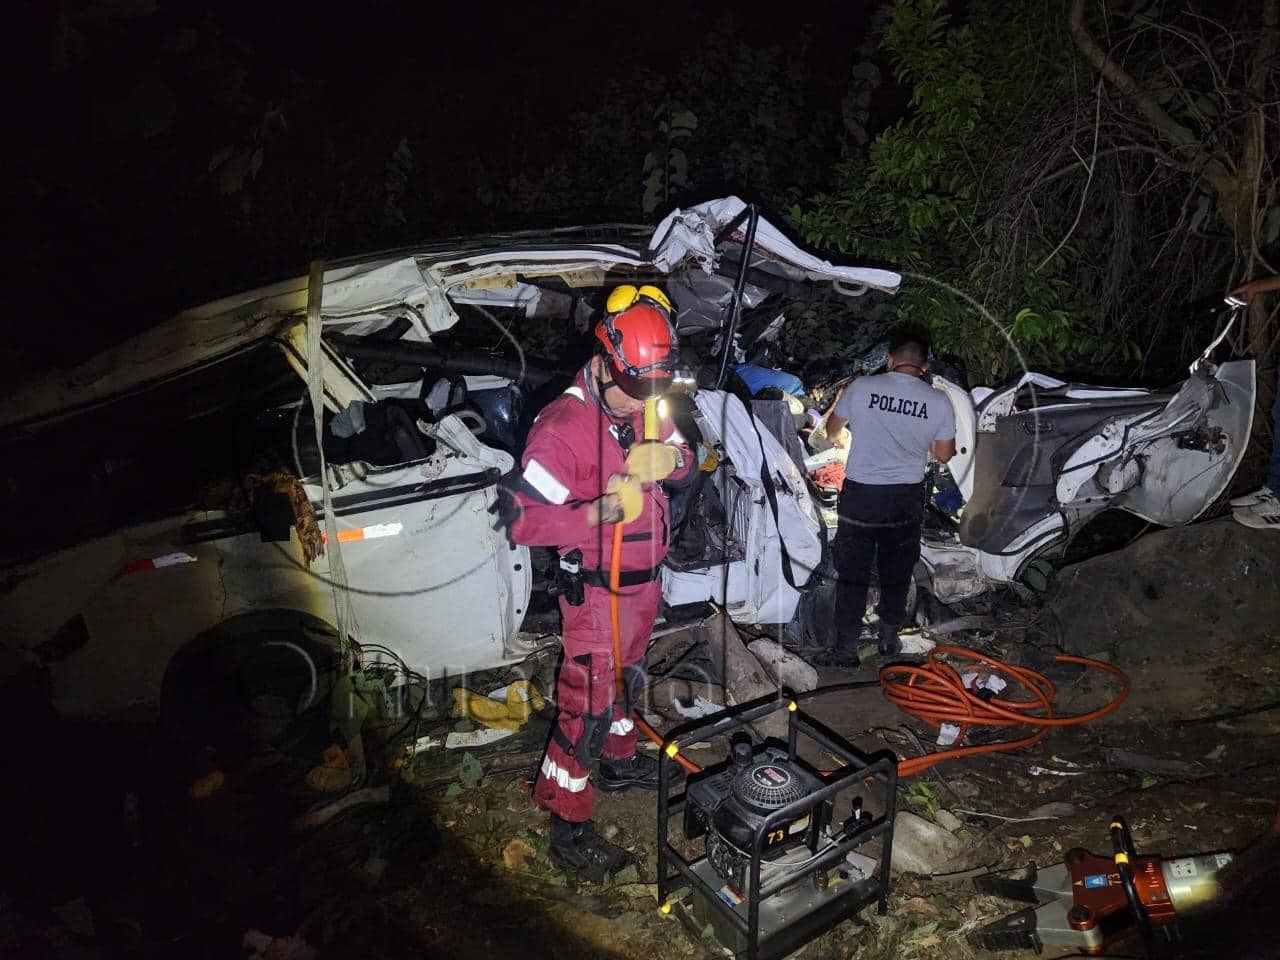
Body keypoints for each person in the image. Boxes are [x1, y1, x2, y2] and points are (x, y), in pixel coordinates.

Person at [508, 285, 693, 881]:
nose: (647, 401)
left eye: (655, 389)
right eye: (637, 388)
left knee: (627, 683)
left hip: (644, 584)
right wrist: (595, 512)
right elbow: (522, 519)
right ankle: (568, 822)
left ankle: (618, 761)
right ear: (606, 361)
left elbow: (688, 455)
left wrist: (674, 461)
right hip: (596, 593)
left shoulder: (647, 401)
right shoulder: (562, 426)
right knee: (584, 706)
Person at [816, 329, 956, 667]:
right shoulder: (939, 401)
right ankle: (888, 641)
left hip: (862, 496)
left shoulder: (862, 387)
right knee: (897, 570)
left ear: (890, 359)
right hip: (905, 499)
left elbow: (832, 430)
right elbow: (945, 455)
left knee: (852, 573)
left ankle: (845, 651)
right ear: (923, 367)